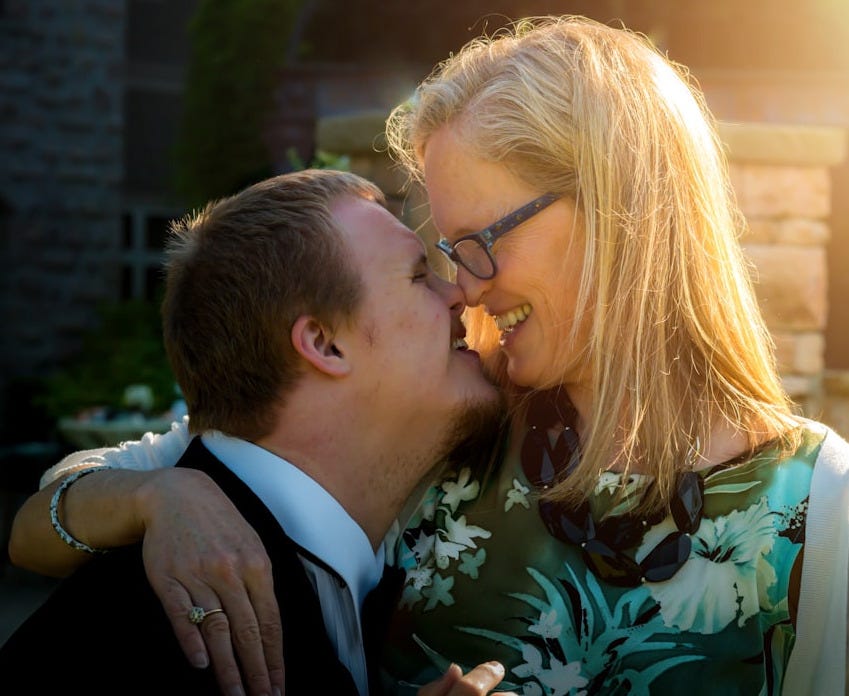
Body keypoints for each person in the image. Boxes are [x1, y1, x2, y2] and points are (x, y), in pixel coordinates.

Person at [10, 14, 849, 696]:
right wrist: (168, 496)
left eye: (478, 242)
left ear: (616, 207)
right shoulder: (444, 426)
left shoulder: (821, 508)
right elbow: (47, 517)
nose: (465, 290)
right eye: (442, 255)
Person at [1, 169, 513, 695]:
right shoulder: (184, 631)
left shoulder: (306, 555)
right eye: (418, 274)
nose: (460, 295)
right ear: (323, 343)